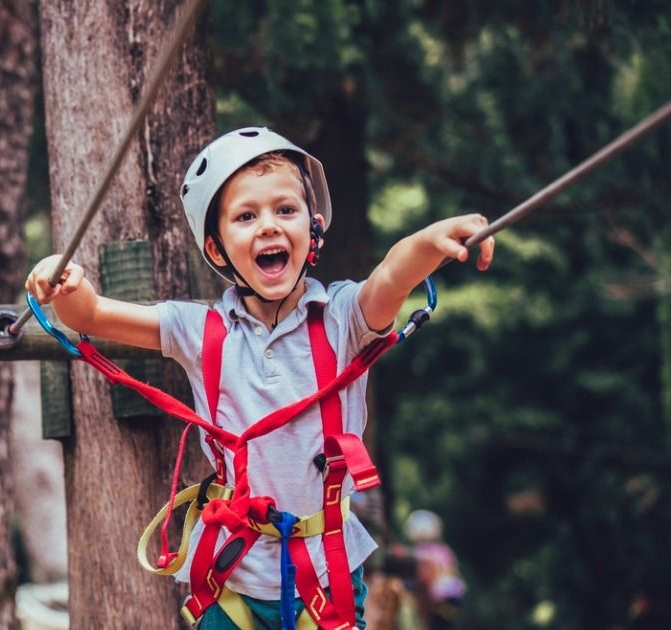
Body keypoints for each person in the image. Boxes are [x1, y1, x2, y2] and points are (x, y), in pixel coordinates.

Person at [26, 127, 494, 629]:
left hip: (326, 573)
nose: (269, 226)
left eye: (285, 210)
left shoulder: (344, 318)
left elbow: (392, 276)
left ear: (314, 229)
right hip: (233, 578)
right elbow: (93, 315)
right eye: (246, 216)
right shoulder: (198, 330)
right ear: (217, 248)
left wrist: (427, 243)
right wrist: (63, 281)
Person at [405, 510, 466, 630]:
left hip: (436, 600)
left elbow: (420, 579)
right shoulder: (444, 550)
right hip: (452, 599)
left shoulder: (420, 553)